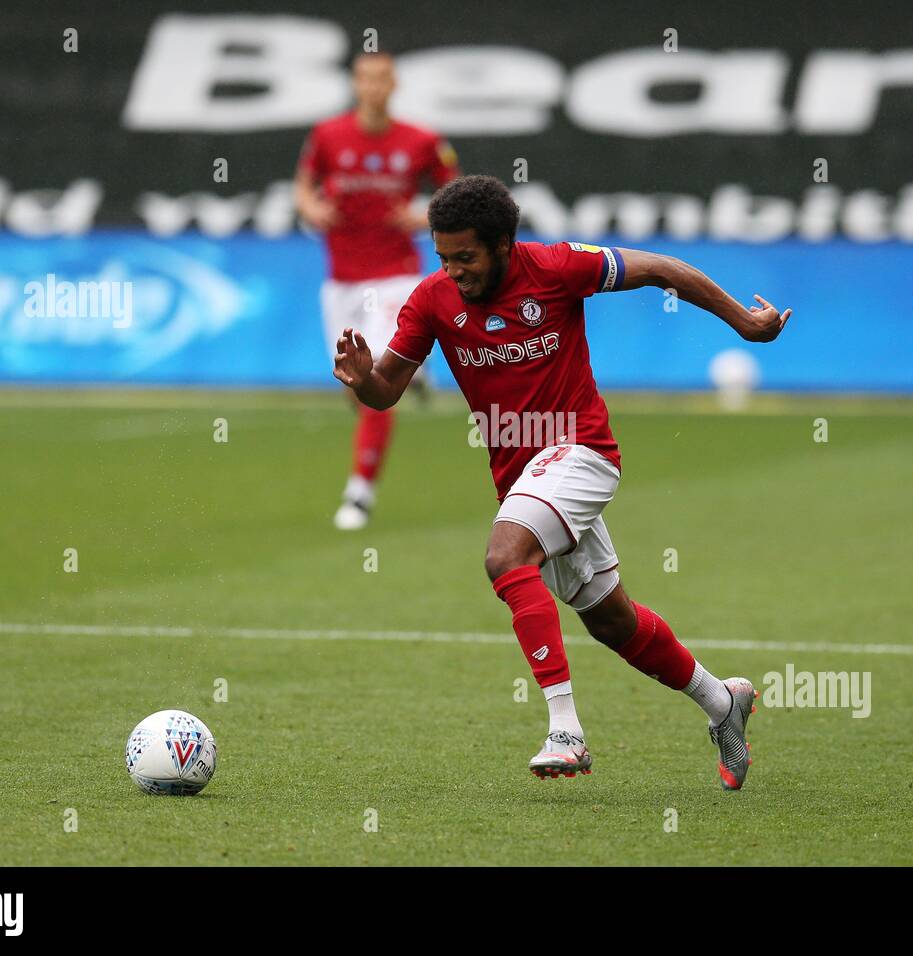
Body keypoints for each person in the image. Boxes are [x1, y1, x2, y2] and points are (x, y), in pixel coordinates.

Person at [332, 175, 792, 789]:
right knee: (611, 621)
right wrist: (363, 379)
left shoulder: (556, 267)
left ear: (502, 244)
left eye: (465, 256)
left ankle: (565, 730)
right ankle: (721, 702)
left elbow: (661, 269)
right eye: (443, 256)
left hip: (581, 451)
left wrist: (744, 322)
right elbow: (387, 390)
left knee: (504, 556)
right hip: (523, 479)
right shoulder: (432, 299)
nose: (454, 270)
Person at [296, 50, 459, 529]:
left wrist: (428, 212)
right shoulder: (328, 135)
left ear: (394, 86)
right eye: (366, 79)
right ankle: (417, 363)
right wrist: (309, 207)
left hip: (396, 274)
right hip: (342, 280)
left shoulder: (422, 140)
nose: (374, 87)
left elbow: (457, 191)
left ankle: (359, 493)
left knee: (376, 384)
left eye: (382, 79)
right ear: (355, 84)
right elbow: (303, 186)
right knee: (354, 386)